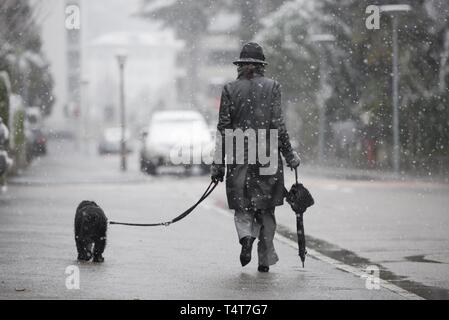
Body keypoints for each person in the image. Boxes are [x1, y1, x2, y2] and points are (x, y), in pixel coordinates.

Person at [211, 42, 300, 272]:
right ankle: (264, 259)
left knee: (243, 208)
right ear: (262, 66)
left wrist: (218, 165)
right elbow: (278, 126)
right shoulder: (273, 87)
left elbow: (224, 130)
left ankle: (246, 237)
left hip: (240, 156)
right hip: (267, 156)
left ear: (240, 65)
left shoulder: (230, 89)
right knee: (266, 210)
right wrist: (290, 155)